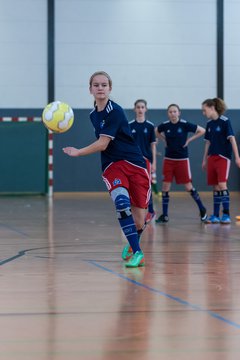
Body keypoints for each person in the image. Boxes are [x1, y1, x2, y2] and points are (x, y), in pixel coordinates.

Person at [63, 71, 150, 267]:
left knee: (139, 221)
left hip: (134, 164)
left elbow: (102, 143)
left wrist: (78, 152)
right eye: (96, 85)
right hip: (112, 165)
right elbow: (105, 147)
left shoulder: (115, 111)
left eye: (104, 85)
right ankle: (138, 252)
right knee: (121, 202)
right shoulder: (93, 114)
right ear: (90, 89)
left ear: (110, 88)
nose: (100, 88)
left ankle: (133, 241)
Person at [155, 103, 207, 223]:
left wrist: (189, 139)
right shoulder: (165, 125)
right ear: (168, 114)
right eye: (170, 112)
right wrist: (163, 139)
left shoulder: (184, 124)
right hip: (168, 160)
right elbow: (156, 131)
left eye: (175, 111)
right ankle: (165, 215)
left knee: (188, 187)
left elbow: (202, 131)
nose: (172, 113)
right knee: (165, 187)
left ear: (179, 113)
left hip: (182, 160)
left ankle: (202, 208)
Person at [201, 98, 240, 224]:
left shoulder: (224, 121)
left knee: (222, 184)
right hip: (211, 157)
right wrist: (204, 159)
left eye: (204, 110)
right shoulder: (209, 124)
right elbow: (207, 143)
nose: (203, 112)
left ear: (212, 107)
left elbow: (232, 139)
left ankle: (226, 214)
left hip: (223, 157)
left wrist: (237, 157)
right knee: (215, 186)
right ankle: (215, 215)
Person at [129, 99, 157, 224]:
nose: (140, 109)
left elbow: (153, 146)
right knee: (134, 185)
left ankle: (150, 211)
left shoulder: (150, 126)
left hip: (146, 161)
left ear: (146, 109)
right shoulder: (130, 126)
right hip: (133, 161)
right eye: (138, 107)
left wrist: (154, 163)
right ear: (135, 109)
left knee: (148, 185)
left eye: (142, 107)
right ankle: (136, 211)